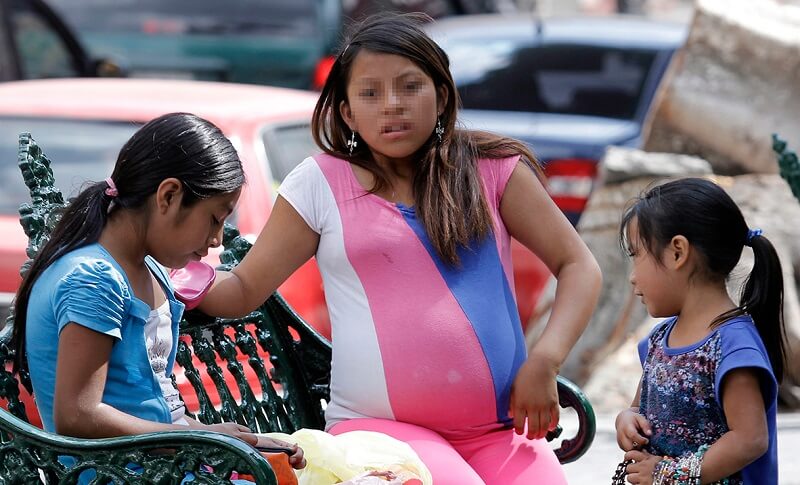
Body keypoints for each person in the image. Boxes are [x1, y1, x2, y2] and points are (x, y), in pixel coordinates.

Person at [198, 13, 602, 485]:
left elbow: (578, 264)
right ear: (347, 112)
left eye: (410, 87)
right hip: (379, 433)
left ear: (442, 95)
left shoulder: (493, 170)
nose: (392, 105)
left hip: (500, 432)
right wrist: (163, 274)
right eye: (370, 93)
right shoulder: (319, 184)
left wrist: (545, 360)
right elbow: (244, 287)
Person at [12, 112, 304, 482]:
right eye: (215, 219)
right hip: (114, 473)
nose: (217, 239)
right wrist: (203, 440)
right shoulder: (94, 279)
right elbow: (78, 415)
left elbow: (157, 407)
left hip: (159, 465)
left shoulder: (147, 268)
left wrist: (236, 440)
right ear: (168, 195)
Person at [615, 178, 783, 484]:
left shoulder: (732, 345)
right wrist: (628, 419)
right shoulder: (659, 340)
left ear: (677, 252)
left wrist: (668, 474)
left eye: (637, 255)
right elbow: (638, 405)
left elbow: (750, 439)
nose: (632, 277)